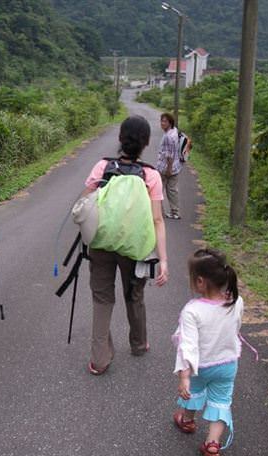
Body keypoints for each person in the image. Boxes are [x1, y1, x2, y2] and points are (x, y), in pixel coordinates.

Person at [82, 115, 169, 375]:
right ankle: (139, 343)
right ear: (146, 142)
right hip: (135, 247)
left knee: (102, 298)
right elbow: (157, 220)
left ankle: (100, 359)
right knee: (134, 296)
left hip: (101, 244)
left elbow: (86, 205)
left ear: (120, 138)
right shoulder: (151, 175)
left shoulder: (102, 167)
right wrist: (163, 259)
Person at [171, 248, 243, 456]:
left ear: (200, 282)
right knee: (221, 400)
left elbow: (188, 346)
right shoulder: (236, 301)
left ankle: (187, 420)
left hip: (200, 366)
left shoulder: (193, 310)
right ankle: (213, 444)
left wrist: (184, 376)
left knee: (193, 390)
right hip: (228, 364)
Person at [156, 112, 181, 219]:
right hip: (176, 166)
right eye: (161, 121)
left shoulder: (168, 137)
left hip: (165, 168)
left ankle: (158, 212)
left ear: (170, 123)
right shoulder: (175, 132)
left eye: (165, 121)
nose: (162, 123)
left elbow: (169, 155)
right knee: (172, 190)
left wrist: (168, 169)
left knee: (157, 190)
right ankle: (175, 212)